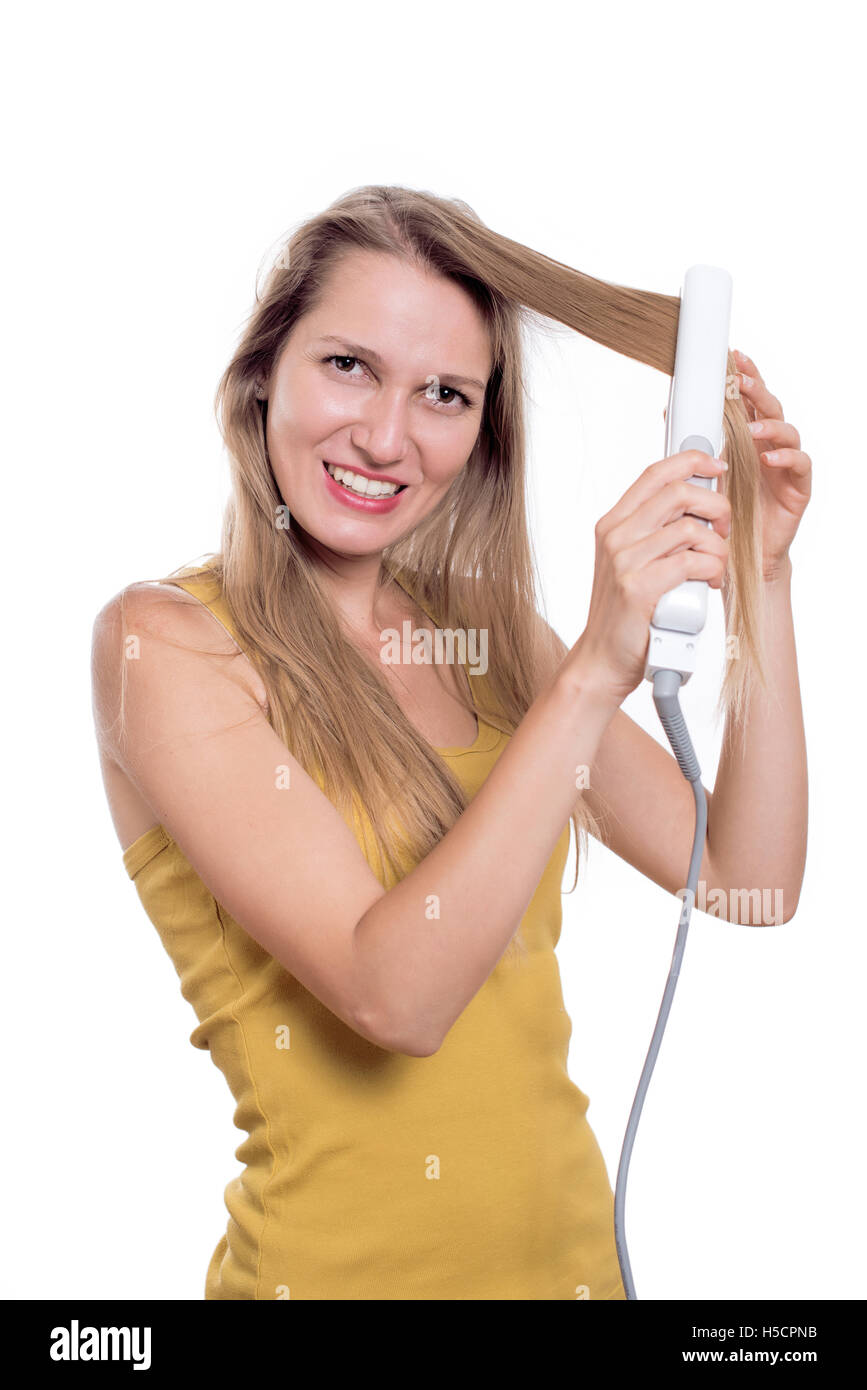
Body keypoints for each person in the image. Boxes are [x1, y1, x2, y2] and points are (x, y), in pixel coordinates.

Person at [91, 184, 810, 1300]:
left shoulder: (491, 634)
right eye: (347, 366)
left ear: (483, 431)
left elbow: (746, 877)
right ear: (261, 373)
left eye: (443, 393)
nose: (387, 435)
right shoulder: (167, 646)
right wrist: (593, 669)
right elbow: (395, 998)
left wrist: (762, 568)